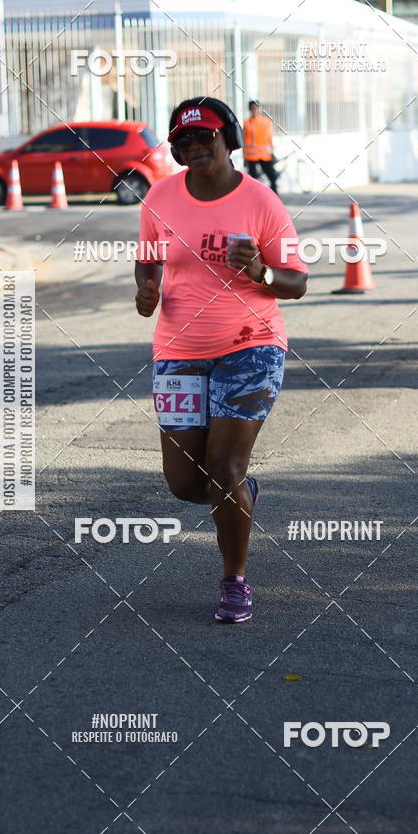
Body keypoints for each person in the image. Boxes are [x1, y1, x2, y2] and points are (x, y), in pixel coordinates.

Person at [135, 96, 307, 623]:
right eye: (181, 140)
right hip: (178, 351)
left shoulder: (261, 202)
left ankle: (235, 580)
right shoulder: (160, 198)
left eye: (203, 136)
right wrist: (147, 289)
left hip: (250, 345)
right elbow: (147, 261)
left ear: (228, 139)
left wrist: (260, 271)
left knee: (224, 466)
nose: (192, 147)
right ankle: (240, 494)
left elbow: (296, 282)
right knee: (186, 483)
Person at [243, 99, 279, 195]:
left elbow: (270, 138)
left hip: (265, 155)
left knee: (272, 177)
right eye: (252, 108)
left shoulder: (266, 121)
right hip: (251, 156)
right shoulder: (247, 123)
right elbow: (244, 141)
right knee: (253, 180)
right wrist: (244, 157)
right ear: (249, 109)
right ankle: (255, 197)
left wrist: (272, 152)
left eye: (256, 108)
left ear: (259, 108)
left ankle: (275, 195)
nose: (254, 110)